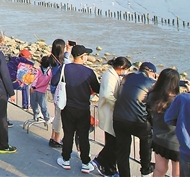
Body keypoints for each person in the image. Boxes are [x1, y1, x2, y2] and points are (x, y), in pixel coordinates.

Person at [52, 44, 100, 174]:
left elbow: (54, 81)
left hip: (67, 107)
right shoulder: (89, 72)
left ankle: (65, 159)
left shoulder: (65, 68)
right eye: (86, 55)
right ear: (82, 57)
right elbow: (97, 88)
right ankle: (85, 162)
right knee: (83, 136)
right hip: (83, 108)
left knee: (68, 134)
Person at [114, 61, 157, 177]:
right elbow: (151, 104)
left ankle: (124, 175)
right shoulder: (151, 82)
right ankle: (146, 169)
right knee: (147, 138)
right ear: (151, 72)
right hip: (137, 121)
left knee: (122, 151)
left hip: (118, 118)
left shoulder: (127, 77)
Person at [93, 56, 132, 177]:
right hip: (109, 113)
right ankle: (103, 163)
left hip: (109, 112)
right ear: (121, 68)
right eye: (126, 69)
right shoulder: (110, 76)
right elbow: (106, 95)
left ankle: (107, 167)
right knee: (113, 143)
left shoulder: (111, 74)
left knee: (112, 142)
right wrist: (118, 105)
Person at [146, 68, 185, 177]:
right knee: (177, 172)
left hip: (159, 138)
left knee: (160, 169)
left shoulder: (153, 95)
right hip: (176, 141)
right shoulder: (178, 100)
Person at [48, 38, 66, 148]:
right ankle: (57, 139)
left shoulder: (52, 59)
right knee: (59, 115)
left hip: (54, 89)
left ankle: (53, 136)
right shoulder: (62, 62)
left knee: (57, 114)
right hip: (61, 90)